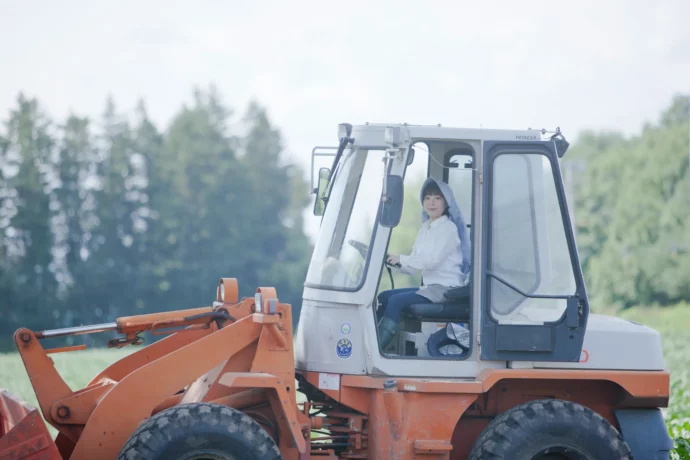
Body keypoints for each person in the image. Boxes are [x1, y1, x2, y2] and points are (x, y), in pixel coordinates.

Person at [377, 178, 471, 349]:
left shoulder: (448, 229)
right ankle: (376, 343)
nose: (431, 202)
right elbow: (414, 267)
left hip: (446, 289)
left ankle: (377, 349)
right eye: (427, 198)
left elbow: (431, 261)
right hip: (429, 288)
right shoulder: (425, 228)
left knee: (396, 302)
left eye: (437, 198)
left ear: (446, 202)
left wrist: (402, 258)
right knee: (384, 297)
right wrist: (393, 262)